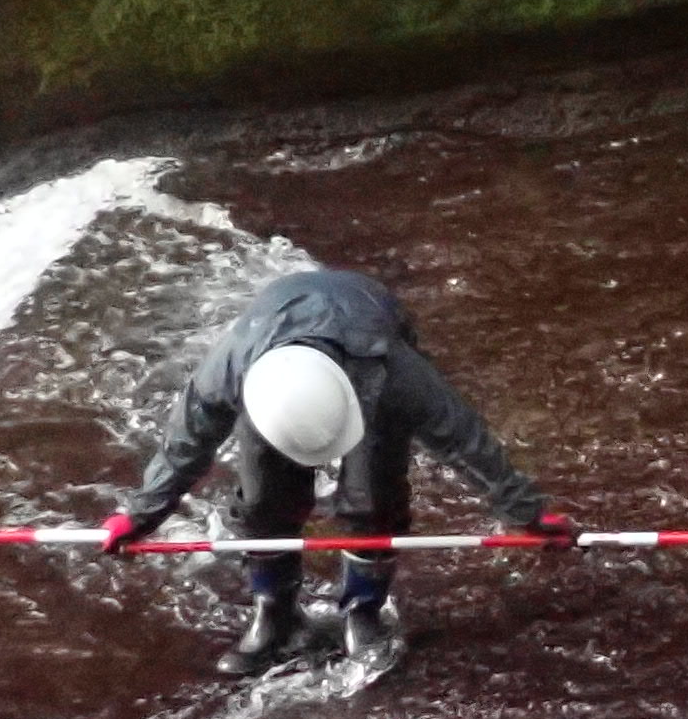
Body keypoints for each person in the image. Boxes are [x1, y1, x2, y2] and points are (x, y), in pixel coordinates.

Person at [103, 268, 571, 674]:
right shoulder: (234, 368)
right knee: (264, 500)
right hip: (277, 359)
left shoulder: (393, 371)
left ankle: (363, 612)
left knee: (372, 501)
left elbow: (465, 440)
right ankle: (276, 613)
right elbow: (186, 444)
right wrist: (140, 515)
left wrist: (528, 513)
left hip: (364, 336)